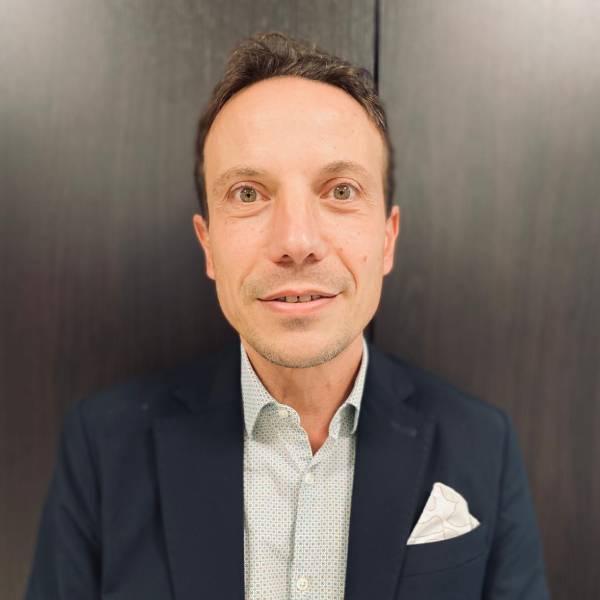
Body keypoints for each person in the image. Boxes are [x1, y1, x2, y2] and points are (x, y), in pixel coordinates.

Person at [25, 31, 550, 599]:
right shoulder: (102, 449)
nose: (296, 242)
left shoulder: (483, 446)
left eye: (341, 190)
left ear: (388, 238)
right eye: (248, 194)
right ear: (208, 246)